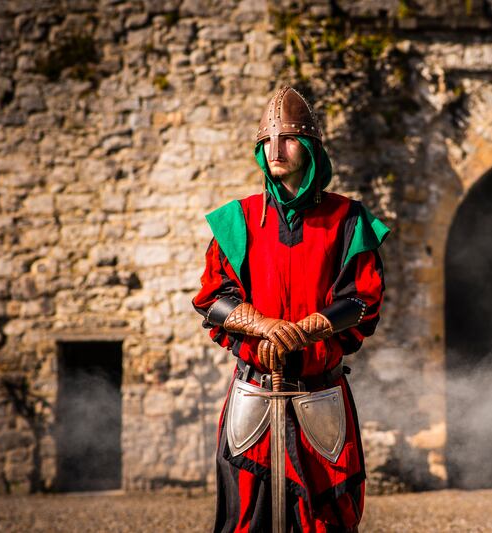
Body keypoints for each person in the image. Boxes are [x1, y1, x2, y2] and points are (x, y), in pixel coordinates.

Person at [192, 86, 389, 533]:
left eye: (289, 138)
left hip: (320, 394)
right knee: (246, 520)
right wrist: (265, 326)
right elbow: (212, 299)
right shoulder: (238, 220)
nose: (276, 149)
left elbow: (361, 299)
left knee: (327, 519)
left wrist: (301, 332)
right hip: (255, 392)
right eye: (268, 140)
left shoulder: (347, 220)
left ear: (312, 148)